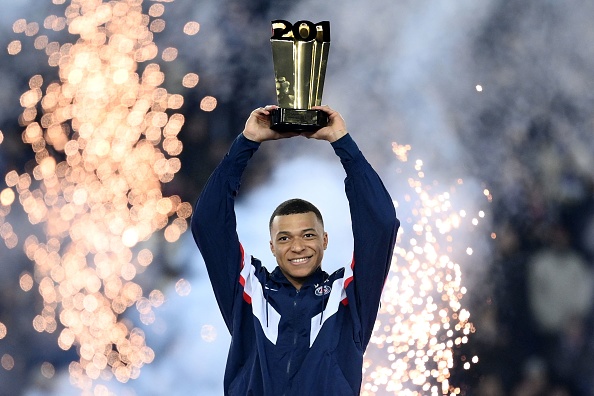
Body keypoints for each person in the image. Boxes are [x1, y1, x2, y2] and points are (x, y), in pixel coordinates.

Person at [191, 104, 399, 395]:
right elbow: (208, 223)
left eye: (308, 235)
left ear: (325, 240)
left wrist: (343, 144)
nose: (298, 246)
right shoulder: (249, 290)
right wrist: (246, 143)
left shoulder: (348, 296)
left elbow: (382, 225)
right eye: (285, 238)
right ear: (272, 247)